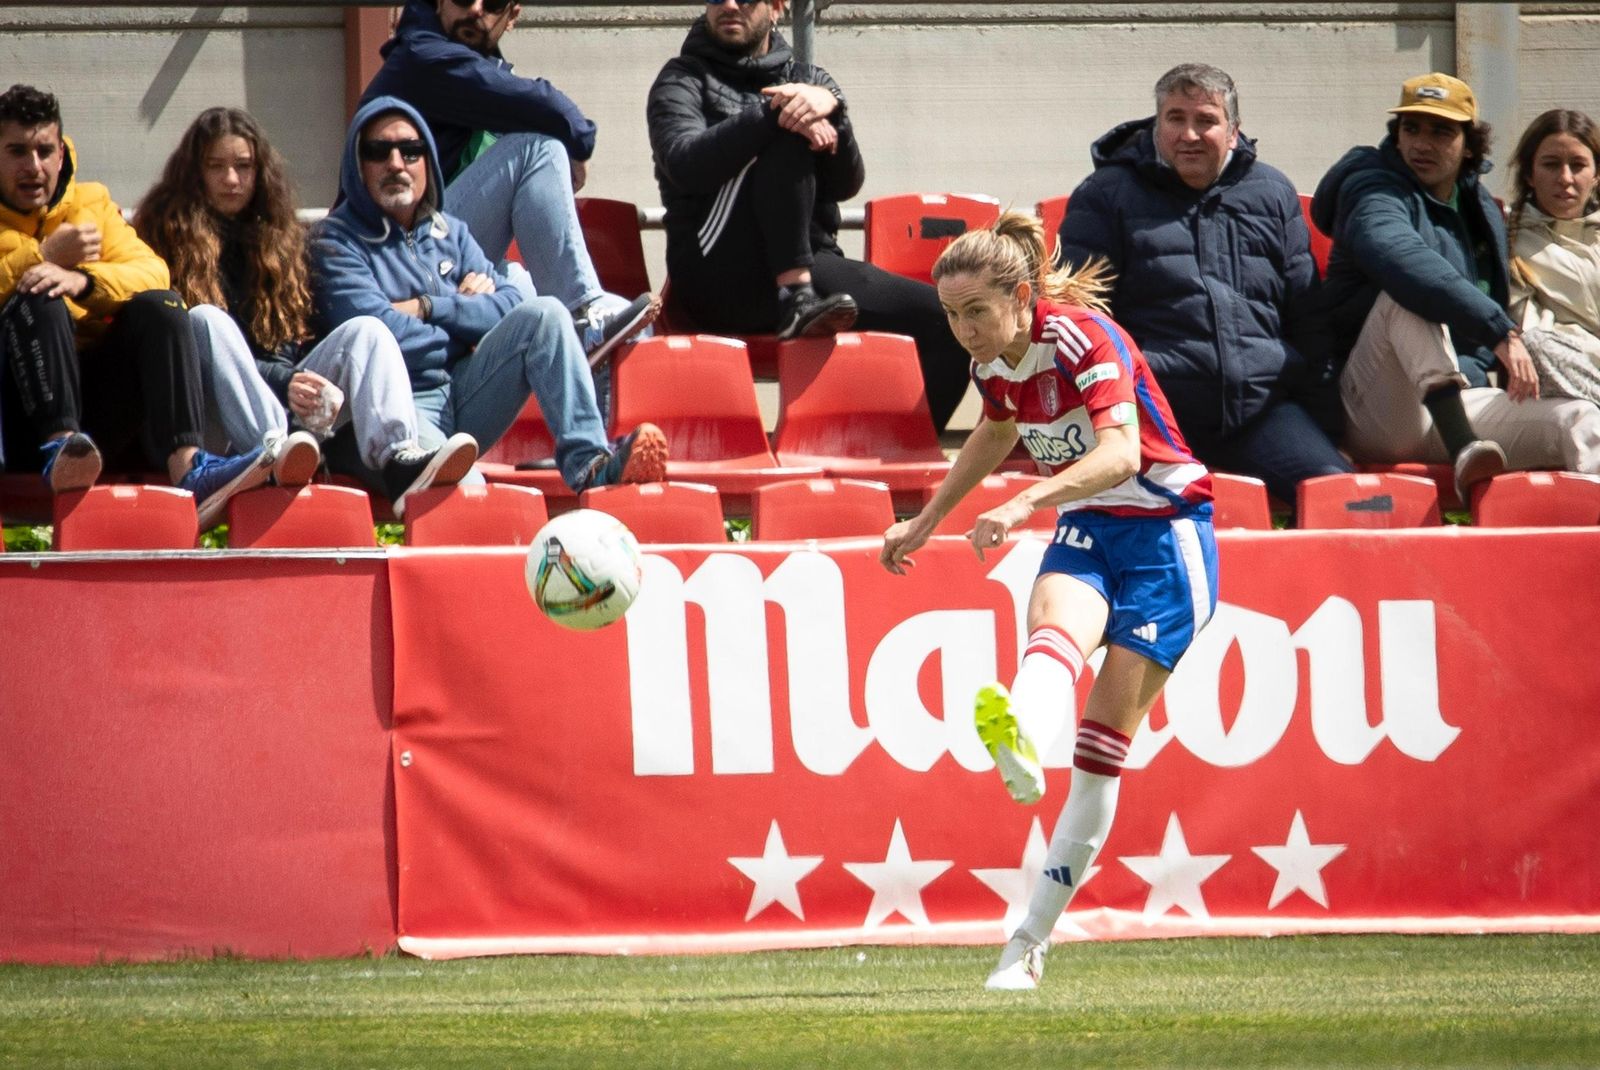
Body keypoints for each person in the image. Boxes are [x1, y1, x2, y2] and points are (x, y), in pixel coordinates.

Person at [879, 213, 1217, 990]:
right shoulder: (994, 363)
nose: (965, 331)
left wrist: (1024, 503)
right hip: (1094, 525)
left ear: (1022, 296)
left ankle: (1028, 940)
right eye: (952, 316)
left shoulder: (1081, 338)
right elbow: (996, 431)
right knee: (1052, 636)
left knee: (1099, 756)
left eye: (978, 313)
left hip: (1169, 534)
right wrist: (930, 517)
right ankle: (1023, 741)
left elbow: (1123, 453)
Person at [310, 97, 667, 505]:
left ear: (428, 162)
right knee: (467, 494)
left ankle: (590, 465)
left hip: (459, 390)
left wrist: (430, 307)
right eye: (379, 151)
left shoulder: (451, 232)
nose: (396, 163)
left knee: (545, 314)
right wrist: (468, 324)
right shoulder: (334, 242)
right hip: (389, 415)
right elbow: (380, 338)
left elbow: (512, 303)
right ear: (358, 166)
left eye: (411, 151)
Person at [646, 0, 973, 431]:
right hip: (717, 276)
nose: (728, 5)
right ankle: (793, 295)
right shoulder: (680, 80)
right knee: (784, 132)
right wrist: (773, 114)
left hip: (811, 267)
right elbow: (685, 163)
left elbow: (845, 185)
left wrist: (833, 110)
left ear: (778, 6)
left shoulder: (810, 81)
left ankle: (890, 454)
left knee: (950, 323)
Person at [134, 106, 477, 514]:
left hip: (276, 409)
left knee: (366, 331)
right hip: (204, 423)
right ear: (195, 173)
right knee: (206, 319)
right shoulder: (163, 232)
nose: (231, 179)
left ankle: (398, 458)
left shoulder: (275, 236)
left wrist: (310, 389)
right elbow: (193, 355)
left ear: (259, 172)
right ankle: (272, 451)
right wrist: (289, 380)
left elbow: (282, 346)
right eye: (216, 167)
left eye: (243, 166)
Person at [1058, 63, 1350, 506]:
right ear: (1157, 126)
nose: (1189, 135)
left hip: (1261, 411)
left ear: (1233, 131)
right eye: (1175, 118)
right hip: (1151, 416)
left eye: (1205, 120)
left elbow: (1306, 318)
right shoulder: (1105, 194)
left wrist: (1327, 430)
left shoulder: (1272, 193)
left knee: (1341, 497)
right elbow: (1081, 319)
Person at [1311, 73, 1600, 501]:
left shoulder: (1479, 207)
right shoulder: (1372, 186)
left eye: (1441, 131)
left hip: (1458, 401)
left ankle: (1583, 545)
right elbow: (1397, 255)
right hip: (1374, 407)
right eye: (1411, 128)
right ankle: (1463, 446)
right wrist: (1499, 330)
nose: (1422, 144)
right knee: (1406, 295)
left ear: (1470, 143)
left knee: (1581, 419)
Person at [0, 83, 275, 528]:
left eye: (44, 151)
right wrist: (44, 258)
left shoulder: (91, 202)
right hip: (21, 417)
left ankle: (189, 466)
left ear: (60, 151)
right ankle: (62, 449)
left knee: (161, 306)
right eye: (17, 151)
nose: (34, 167)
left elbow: (154, 273)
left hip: (100, 409)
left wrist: (84, 280)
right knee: (39, 295)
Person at [359, 0, 657, 369]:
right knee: (537, 148)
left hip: (445, 252)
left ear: (512, 16)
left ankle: (601, 424)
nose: (476, 8)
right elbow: (550, 109)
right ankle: (583, 313)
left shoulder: (480, 71)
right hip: (390, 263)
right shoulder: (423, 56)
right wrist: (576, 141)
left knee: (622, 319)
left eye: (494, 3)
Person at [1506, 108, 1600, 406]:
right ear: (1529, 175)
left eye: (1578, 165)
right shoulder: (1508, 240)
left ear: (1596, 175)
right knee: (1535, 344)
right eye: (1551, 165)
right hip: (1568, 372)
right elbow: (1531, 328)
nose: (1565, 178)